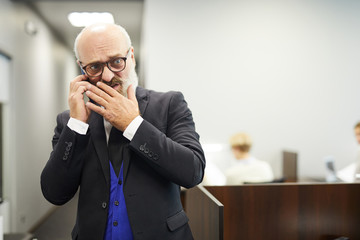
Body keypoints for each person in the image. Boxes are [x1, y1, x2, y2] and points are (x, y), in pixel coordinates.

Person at [40, 23, 205, 240]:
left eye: (117, 61)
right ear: (82, 69)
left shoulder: (169, 104)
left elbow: (192, 172)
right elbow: (55, 193)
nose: (107, 76)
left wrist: (133, 125)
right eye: (95, 67)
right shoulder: (70, 120)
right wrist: (77, 125)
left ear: (132, 56)